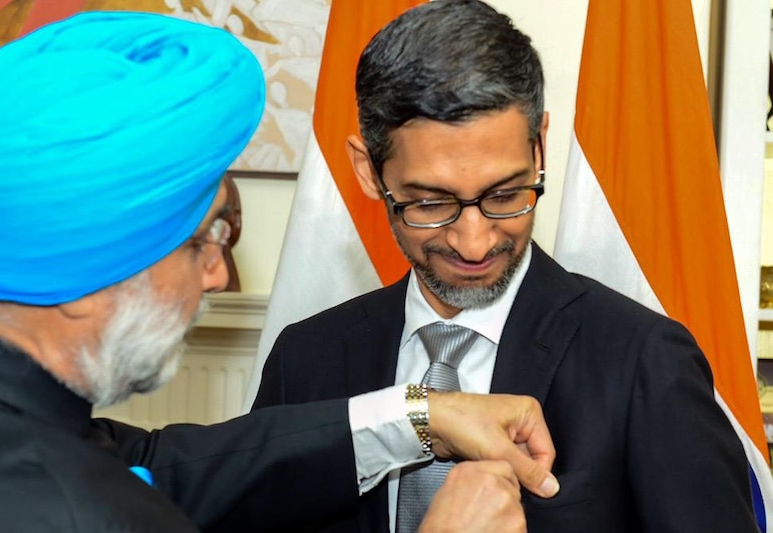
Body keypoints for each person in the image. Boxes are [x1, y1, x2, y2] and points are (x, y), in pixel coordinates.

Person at [0, 11, 560, 533]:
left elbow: (150, 461)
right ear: (89, 277)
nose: (215, 273)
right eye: (205, 238)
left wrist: (417, 416)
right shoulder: (84, 515)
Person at [252, 1, 758, 532]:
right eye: (431, 203)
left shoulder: (642, 360)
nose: (474, 243)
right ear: (368, 171)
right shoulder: (304, 362)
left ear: (539, 149)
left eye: (504, 195)